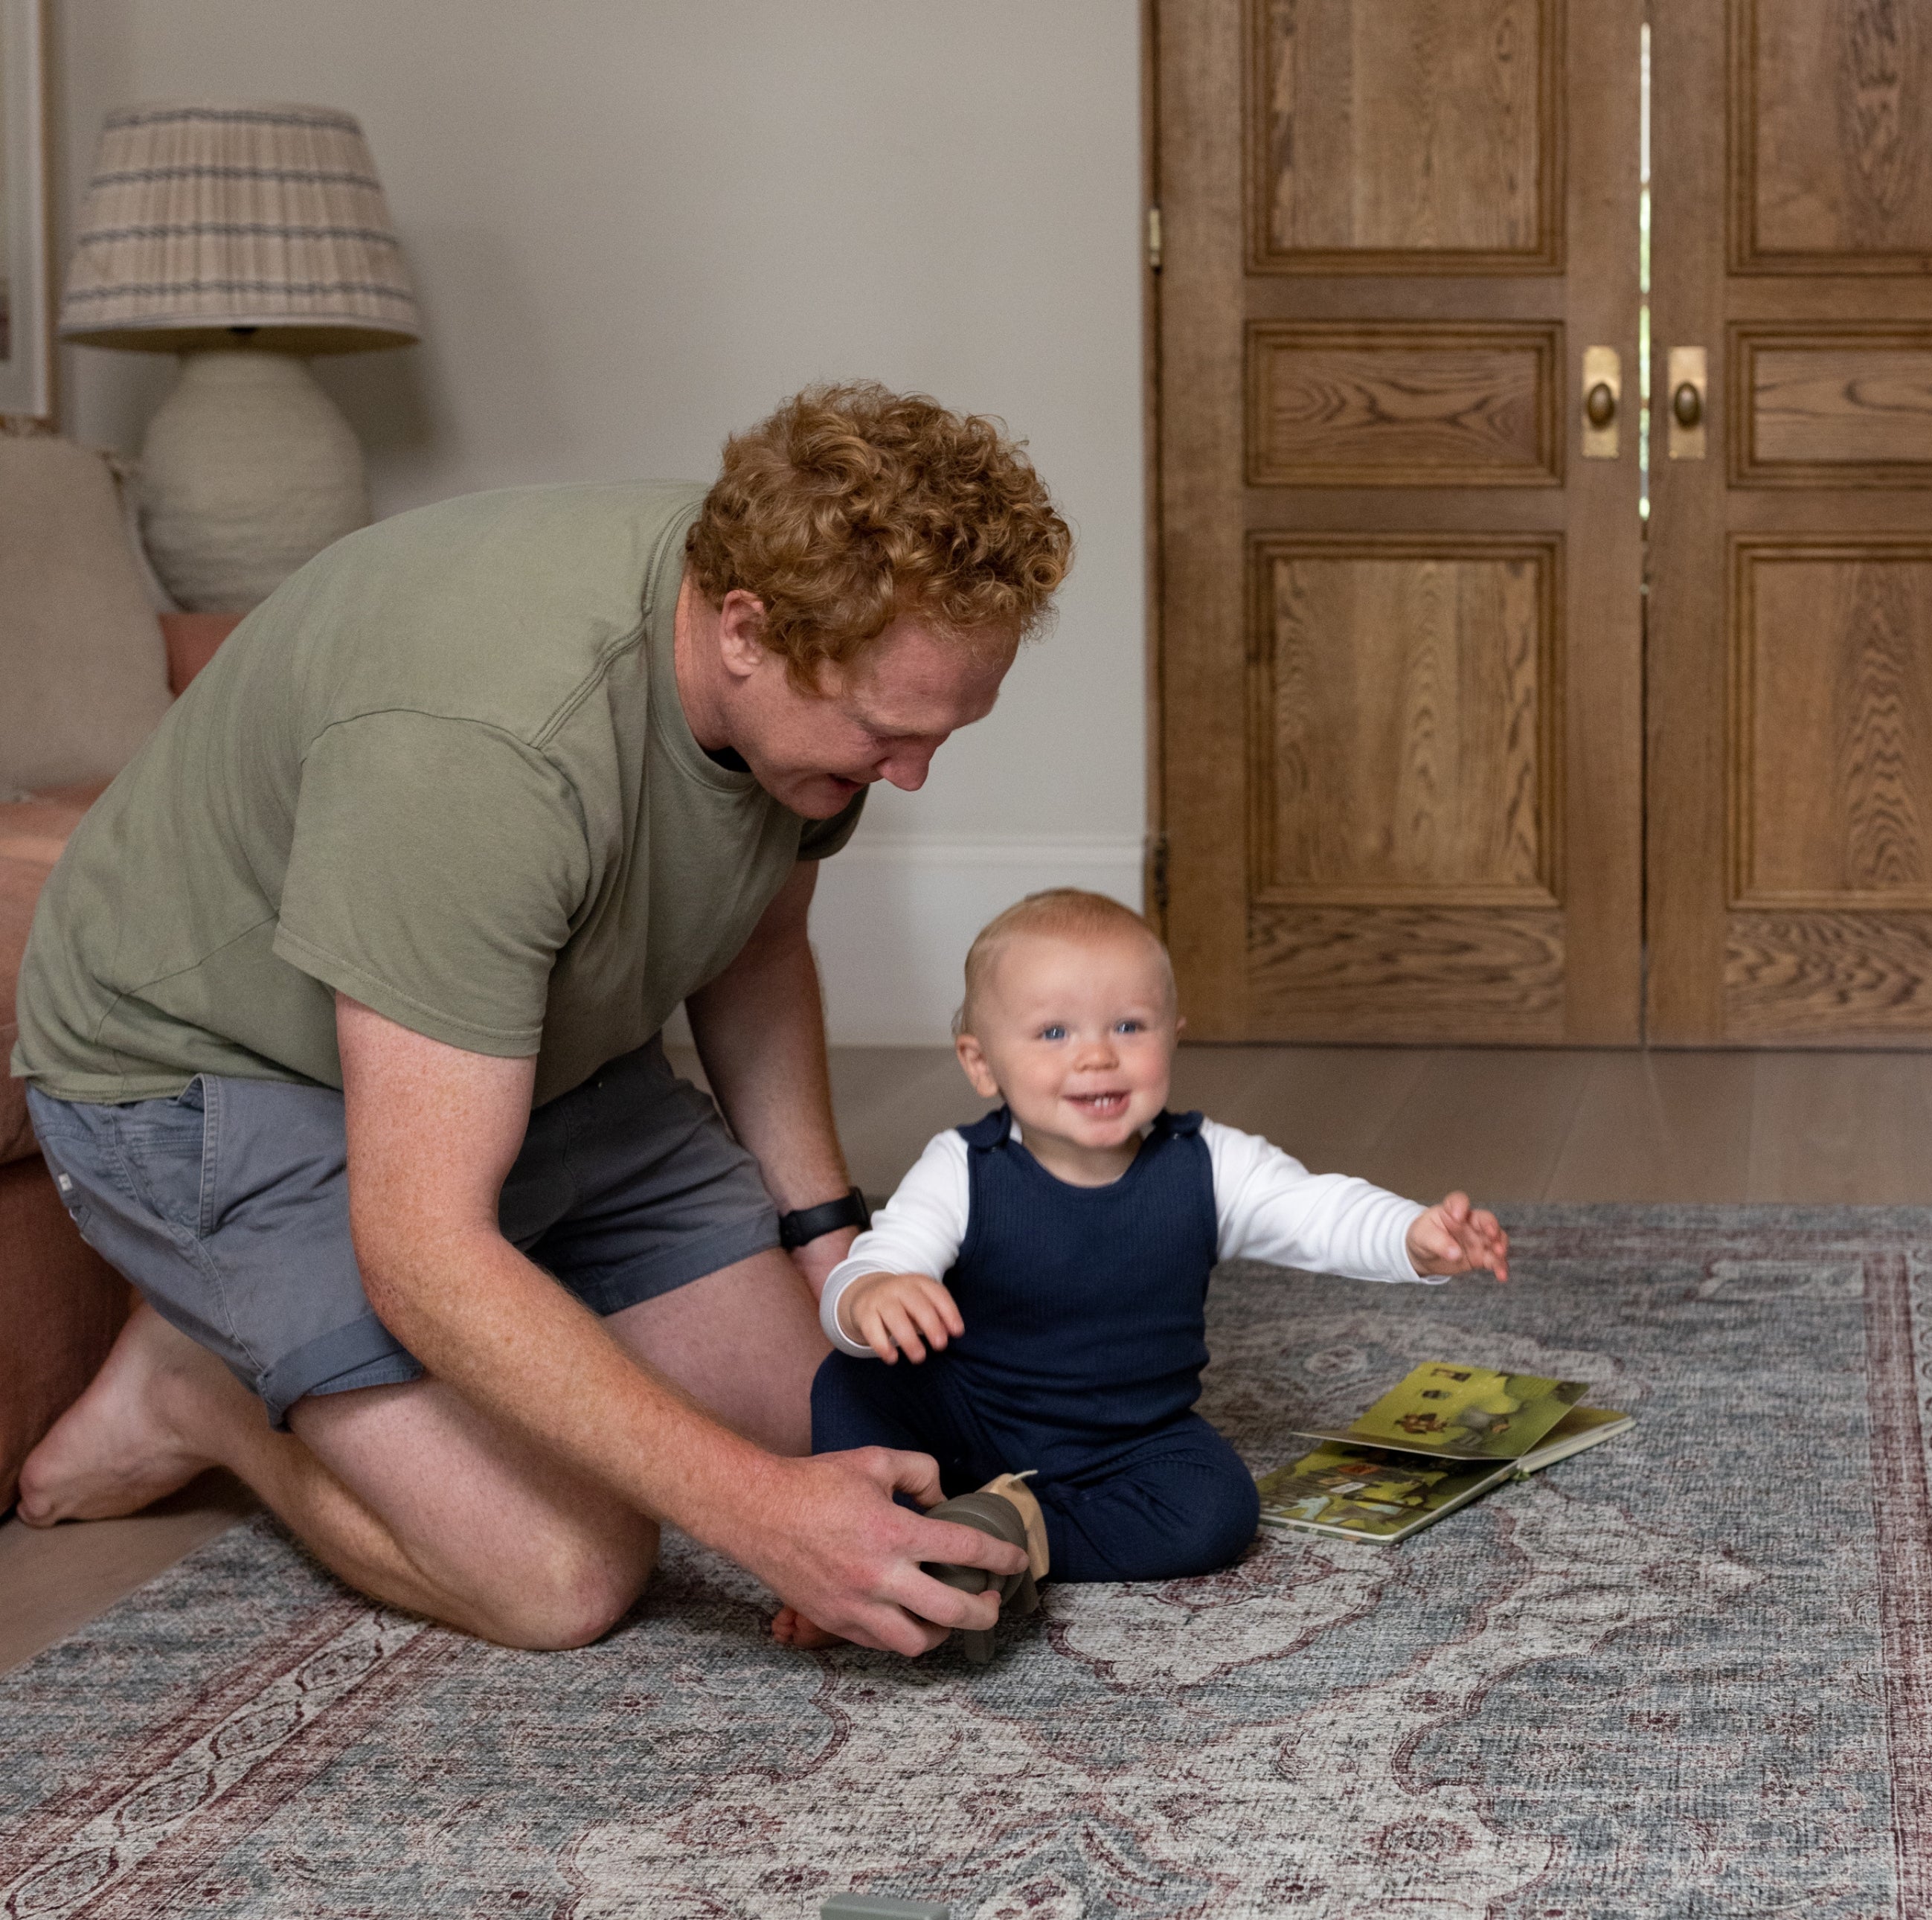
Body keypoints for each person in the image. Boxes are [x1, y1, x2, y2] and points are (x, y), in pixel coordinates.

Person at [11, 385, 1071, 1657]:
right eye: (885, 736)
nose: (909, 776)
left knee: (842, 1421)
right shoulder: (484, 751)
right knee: (564, 1571)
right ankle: (202, 1389)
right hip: (209, 1071)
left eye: (940, 734)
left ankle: (408, 1337)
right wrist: (762, 1520)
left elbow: (756, 941)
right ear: (743, 630)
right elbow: (423, 1250)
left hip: (525, 1039)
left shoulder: (797, 626)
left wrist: (826, 1241)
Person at [773, 887, 1509, 1646]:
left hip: (1129, 1439)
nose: (1097, 1053)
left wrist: (1413, 1237)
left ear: (1173, 1036)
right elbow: (874, 1265)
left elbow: (1319, 1210)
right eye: (1054, 1031)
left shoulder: (1209, 1163)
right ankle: (875, 1544)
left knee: (1218, 1512)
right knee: (848, 1381)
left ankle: (1004, 1540)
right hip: (969, 1420)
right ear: (982, 1063)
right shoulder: (961, 1167)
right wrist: (873, 1295)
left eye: (1129, 1025)